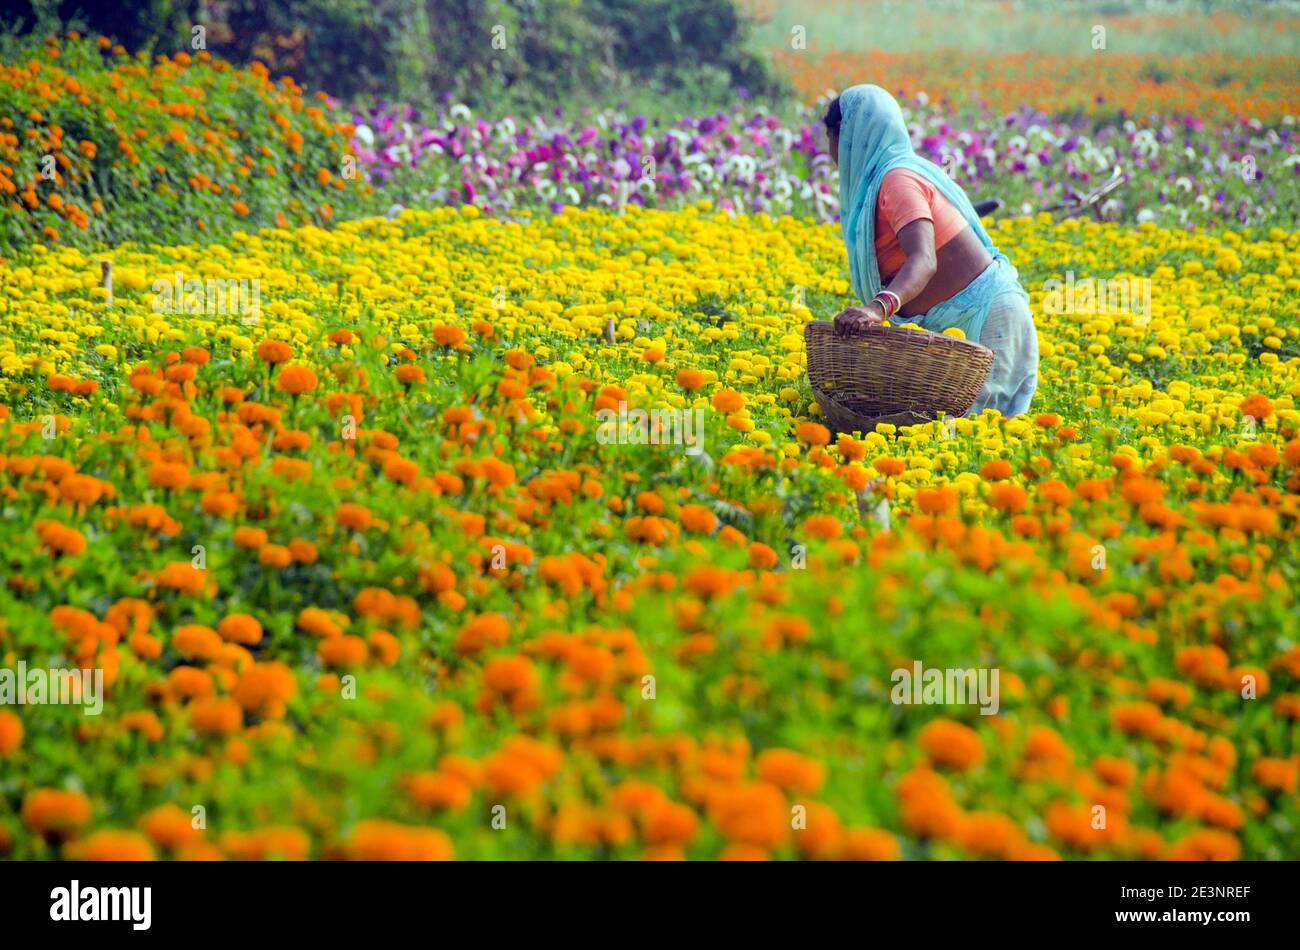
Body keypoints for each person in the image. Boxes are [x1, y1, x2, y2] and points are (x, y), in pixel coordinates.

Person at [825, 84, 1038, 417]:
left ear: (849, 136)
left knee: (976, 445)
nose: (830, 152)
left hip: (986, 321)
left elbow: (924, 261)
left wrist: (877, 309)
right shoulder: (881, 182)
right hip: (951, 331)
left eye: (831, 139)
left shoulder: (898, 182)